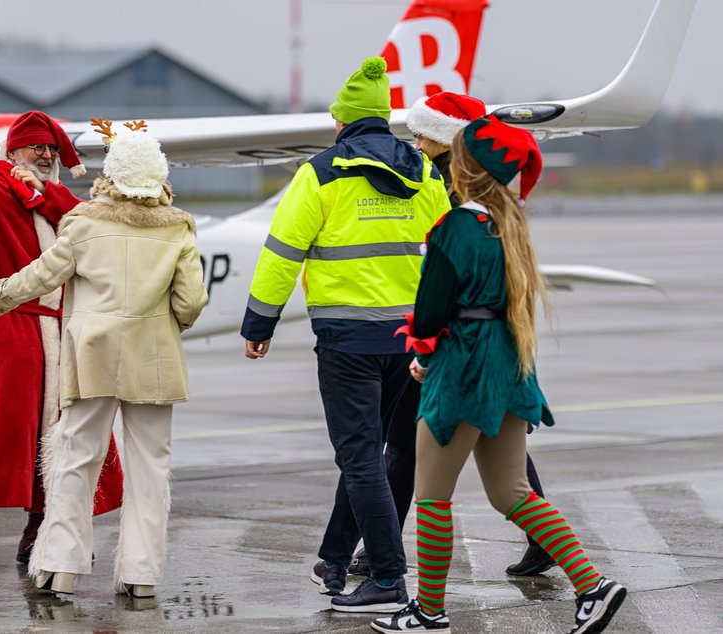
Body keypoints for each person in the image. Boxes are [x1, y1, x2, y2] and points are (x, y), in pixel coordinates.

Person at [371, 115, 626, 633]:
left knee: (433, 496)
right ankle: (593, 586)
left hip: (463, 368)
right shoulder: (510, 221)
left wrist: (422, 353)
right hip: (509, 364)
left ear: (467, 168)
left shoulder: (456, 225)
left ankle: (429, 611)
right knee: (513, 491)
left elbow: (431, 309)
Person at [241, 57, 451, 613]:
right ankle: (334, 559)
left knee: (359, 459)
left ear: (343, 123)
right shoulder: (427, 174)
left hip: (348, 342)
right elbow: (446, 250)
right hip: (410, 341)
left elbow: (282, 254)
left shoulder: (321, 173)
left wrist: (259, 324)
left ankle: (388, 578)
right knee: (374, 456)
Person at [0, 122, 208, 598]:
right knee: (150, 467)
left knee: (77, 460)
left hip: (92, 357)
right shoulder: (179, 227)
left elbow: (41, 276)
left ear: (110, 177)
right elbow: (192, 301)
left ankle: (62, 567)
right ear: (158, 177)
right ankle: (141, 576)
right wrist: (166, 325)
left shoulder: (83, 223)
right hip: (154, 362)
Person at [350, 92, 556, 579]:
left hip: (454, 342)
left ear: (448, 142)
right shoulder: (498, 202)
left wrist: (426, 337)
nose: (415, 143)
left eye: (422, 134)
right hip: (498, 343)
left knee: (408, 448)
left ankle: (387, 559)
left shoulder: (457, 196)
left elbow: (448, 260)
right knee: (506, 471)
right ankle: (549, 545)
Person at [0, 89, 123, 567]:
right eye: (36, 147)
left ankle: (40, 521)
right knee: (2, 427)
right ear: (12, 151)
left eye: (51, 149)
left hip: (64, 325)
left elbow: (92, 228)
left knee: (59, 429)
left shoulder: (61, 201)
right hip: (11, 321)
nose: (46, 155)